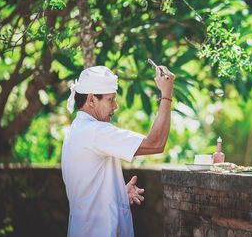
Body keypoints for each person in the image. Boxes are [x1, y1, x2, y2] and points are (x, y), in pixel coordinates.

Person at [61, 65, 174, 237]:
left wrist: (118, 193)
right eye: (111, 99)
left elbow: (88, 190)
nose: (115, 106)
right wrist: (166, 95)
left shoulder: (78, 129)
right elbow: (156, 143)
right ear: (91, 100)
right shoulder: (94, 132)